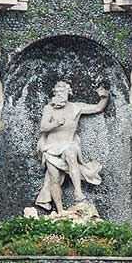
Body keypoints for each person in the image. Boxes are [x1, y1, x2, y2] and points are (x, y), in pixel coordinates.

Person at [35, 81, 108, 213]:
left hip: (68, 144)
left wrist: (104, 97)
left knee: (70, 153)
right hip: (51, 147)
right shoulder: (49, 108)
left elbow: (98, 108)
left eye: (62, 92)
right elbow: (43, 127)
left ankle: (78, 193)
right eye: (57, 92)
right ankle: (60, 210)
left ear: (68, 93)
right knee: (54, 178)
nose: (59, 94)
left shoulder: (76, 107)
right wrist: (55, 123)